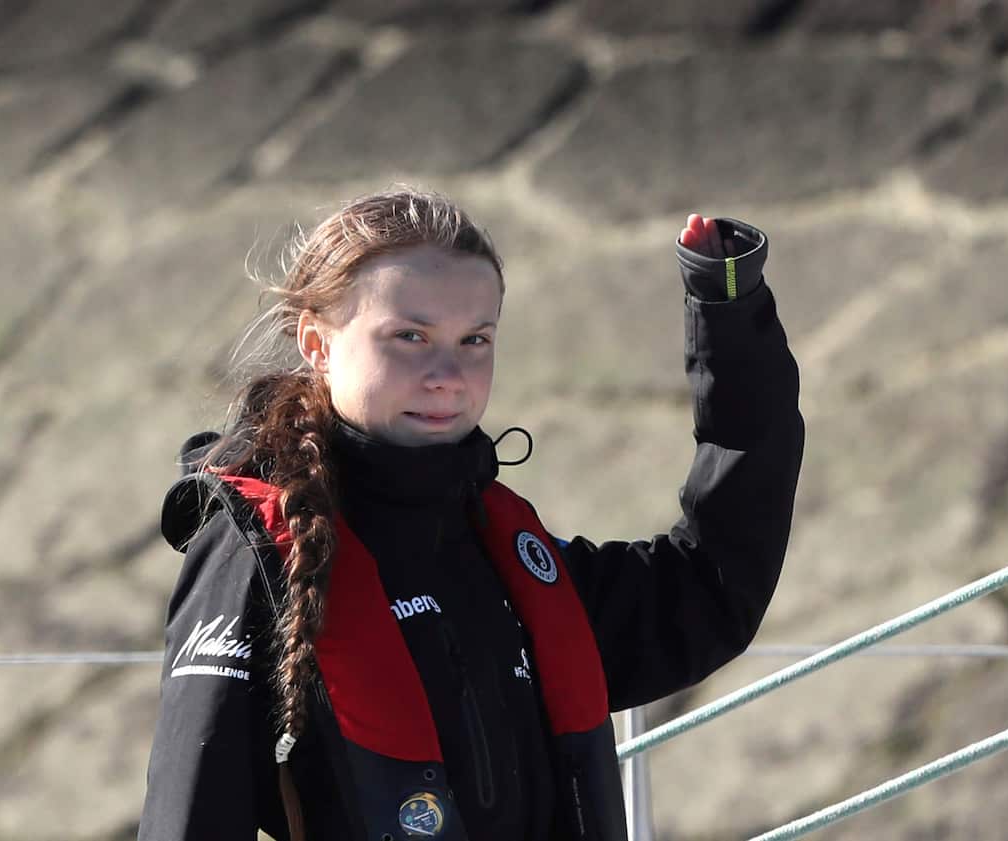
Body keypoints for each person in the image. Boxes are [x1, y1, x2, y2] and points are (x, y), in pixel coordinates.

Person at [137, 189, 804, 841]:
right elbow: (189, 812)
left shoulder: (506, 551)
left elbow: (710, 589)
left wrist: (730, 321)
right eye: (409, 335)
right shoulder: (253, 547)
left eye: (474, 340)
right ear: (317, 343)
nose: (447, 374)